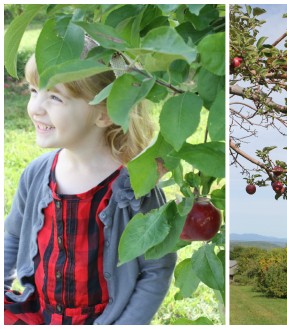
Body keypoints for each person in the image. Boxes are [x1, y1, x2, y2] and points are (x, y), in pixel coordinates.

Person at [4, 37, 177, 324]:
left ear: (105, 112)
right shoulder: (36, 174)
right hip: (40, 312)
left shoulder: (135, 185)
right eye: (34, 90)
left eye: (55, 97)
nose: (35, 107)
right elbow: (13, 235)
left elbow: (156, 269)